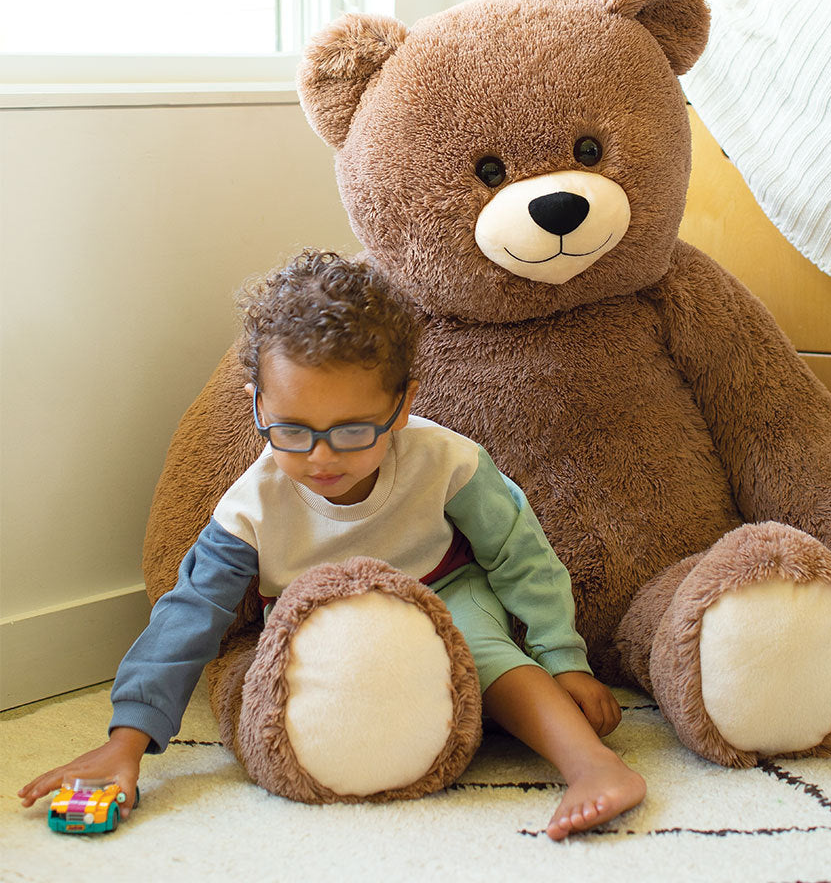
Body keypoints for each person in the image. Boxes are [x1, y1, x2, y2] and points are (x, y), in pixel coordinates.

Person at [19, 249, 645, 841]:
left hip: (444, 593)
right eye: (293, 430)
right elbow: (186, 619)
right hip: (319, 622)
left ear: (401, 407)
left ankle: (591, 766)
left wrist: (564, 660)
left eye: (351, 431)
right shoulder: (250, 507)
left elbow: (521, 554)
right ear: (258, 406)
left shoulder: (447, 461)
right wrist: (125, 741)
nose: (321, 458)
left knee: (485, 654)